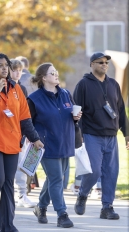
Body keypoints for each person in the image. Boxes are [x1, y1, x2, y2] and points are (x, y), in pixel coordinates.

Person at [0, 53, 43, 231]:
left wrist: (35, 138)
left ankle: (7, 226)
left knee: (7, 185)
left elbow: (25, 118)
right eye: (0, 65)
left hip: (12, 143)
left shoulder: (17, 89)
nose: (5, 68)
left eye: (6, 65)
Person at [73, 52, 129, 220]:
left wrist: (126, 134)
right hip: (91, 135)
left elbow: (120, 110)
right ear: (92, 64)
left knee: (111, 172)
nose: (104, 65)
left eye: (106, 62)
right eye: (100, 62)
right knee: (94, 171)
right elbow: (76, 111)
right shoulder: (83, 84)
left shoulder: (113, 84)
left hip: (111, 136)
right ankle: (83, 194)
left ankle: (107, 207)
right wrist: (78, 133)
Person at [28, 62, 82, 228]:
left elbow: (70, 114)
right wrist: (34, 138)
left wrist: (76, 117)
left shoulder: (65, 93)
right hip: (45, 145)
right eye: (52, 73)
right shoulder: (34, 99)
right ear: (43, 78)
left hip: (65, 142)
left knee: (55, 178)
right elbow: (27, 122)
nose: (56, 74)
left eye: (56, 72)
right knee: (57, 178)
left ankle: (41, 207)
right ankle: (62, 214)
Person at [9, 59, 36, 208]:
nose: (17, 73)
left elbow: (24, 114)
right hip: (5, 133)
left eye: (20, 70)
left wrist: (27, 133)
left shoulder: (22, 89)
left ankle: (22, 194)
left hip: (19, 133)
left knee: (21, 165)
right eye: (14, 70)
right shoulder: (2, 87)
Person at [15, 55, 39, 192]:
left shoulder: (22, 86)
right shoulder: (33, 80)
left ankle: (24, 188)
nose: (18, 73)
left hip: (23, 123)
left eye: (19, 69)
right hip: (30, 122)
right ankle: (27, 185)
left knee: (23, 156)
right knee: (28, 155)